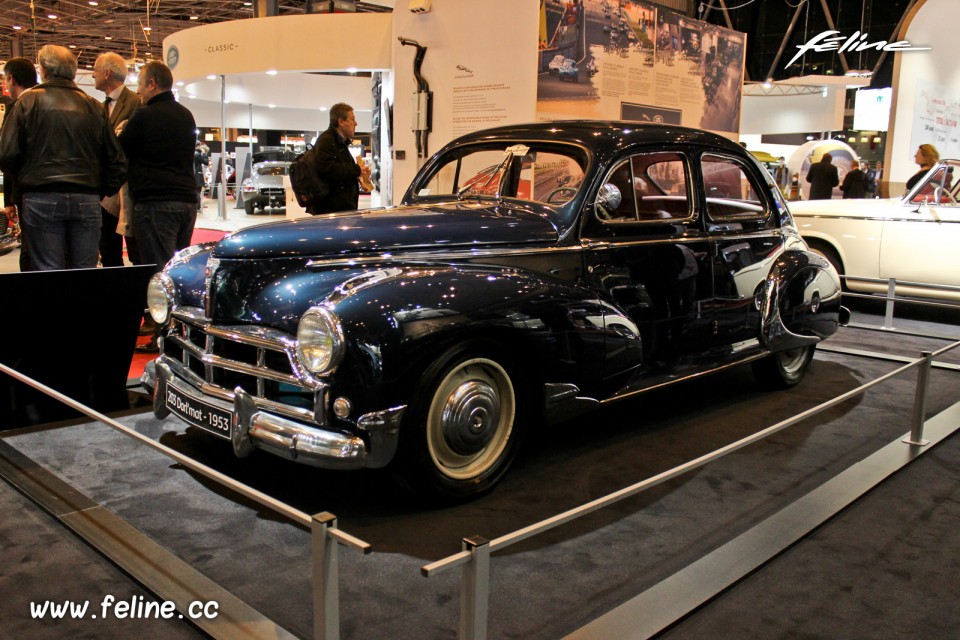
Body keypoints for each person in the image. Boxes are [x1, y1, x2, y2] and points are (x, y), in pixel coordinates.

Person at [0, 45, 126, 271]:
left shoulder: (26, 102)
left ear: (44, 71)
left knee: (49, 274)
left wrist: (25, 182)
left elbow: (6, 155)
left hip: (40, 197)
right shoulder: (94, 106)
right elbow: (117, 162)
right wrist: (97, 191)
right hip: (86, 199)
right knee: (85, 272)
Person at [118, 61, 198, 352]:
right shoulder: (185, 116)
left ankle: (164, 338)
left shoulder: (144, 117)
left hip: (155, 203)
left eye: (140, 84)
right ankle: (178, 331)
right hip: (186, 202)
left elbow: (119, 151)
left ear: (152, 83)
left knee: (159, 272)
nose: (138, 91)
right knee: (177, 269)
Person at [93, 52, 140, 267]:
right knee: (108, 249)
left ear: (107, 73)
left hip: (130, 191)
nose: (92, 75)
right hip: (106, 193)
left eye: (95, 70)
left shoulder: (136, 103)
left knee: (136, 252)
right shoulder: (99, 107)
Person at [1, 57, 39, 272]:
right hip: (51, 191)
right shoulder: (47, 102)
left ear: (12, 79)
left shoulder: (18, 106)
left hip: (28, 193)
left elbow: (8, 154)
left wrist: (10, 199)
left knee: (31, 251)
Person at [304, 102, 371, 215]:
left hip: (339, 209)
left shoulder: (338, 142)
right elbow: (327, 169)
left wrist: (359, 172)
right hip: (331, 211)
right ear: (341, 121)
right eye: (352, 119)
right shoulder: (327, 141)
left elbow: (339, 170)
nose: (356, 123)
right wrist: (356, 170)